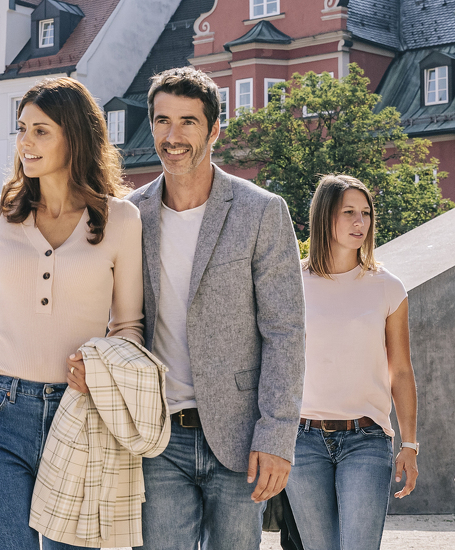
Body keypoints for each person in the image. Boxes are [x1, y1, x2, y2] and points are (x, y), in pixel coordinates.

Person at [0, 77, 143, 550]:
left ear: (75, 135)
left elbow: (129, 326)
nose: (25, 142)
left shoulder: (121, 219)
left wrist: (102, 364)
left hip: (80, 414)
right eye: (22, 129)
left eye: (41, 131)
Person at [124, 67, 305, 550]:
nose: (173, 136)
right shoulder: (128, 214)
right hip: (157, 436)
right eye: (162, 121)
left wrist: (277, 435)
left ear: (213, 129)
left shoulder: (261, 211)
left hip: (240, 435)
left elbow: (285, 332)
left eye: (187, 122)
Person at [284, 175, 418, 550]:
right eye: (349, 213)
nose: (361, 222)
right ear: (325, 217)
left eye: (366, 213)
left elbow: (402, 370)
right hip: (301, 440)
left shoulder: (388, 287)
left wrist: (410, 443)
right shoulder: (291, 282)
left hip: (367, 439)